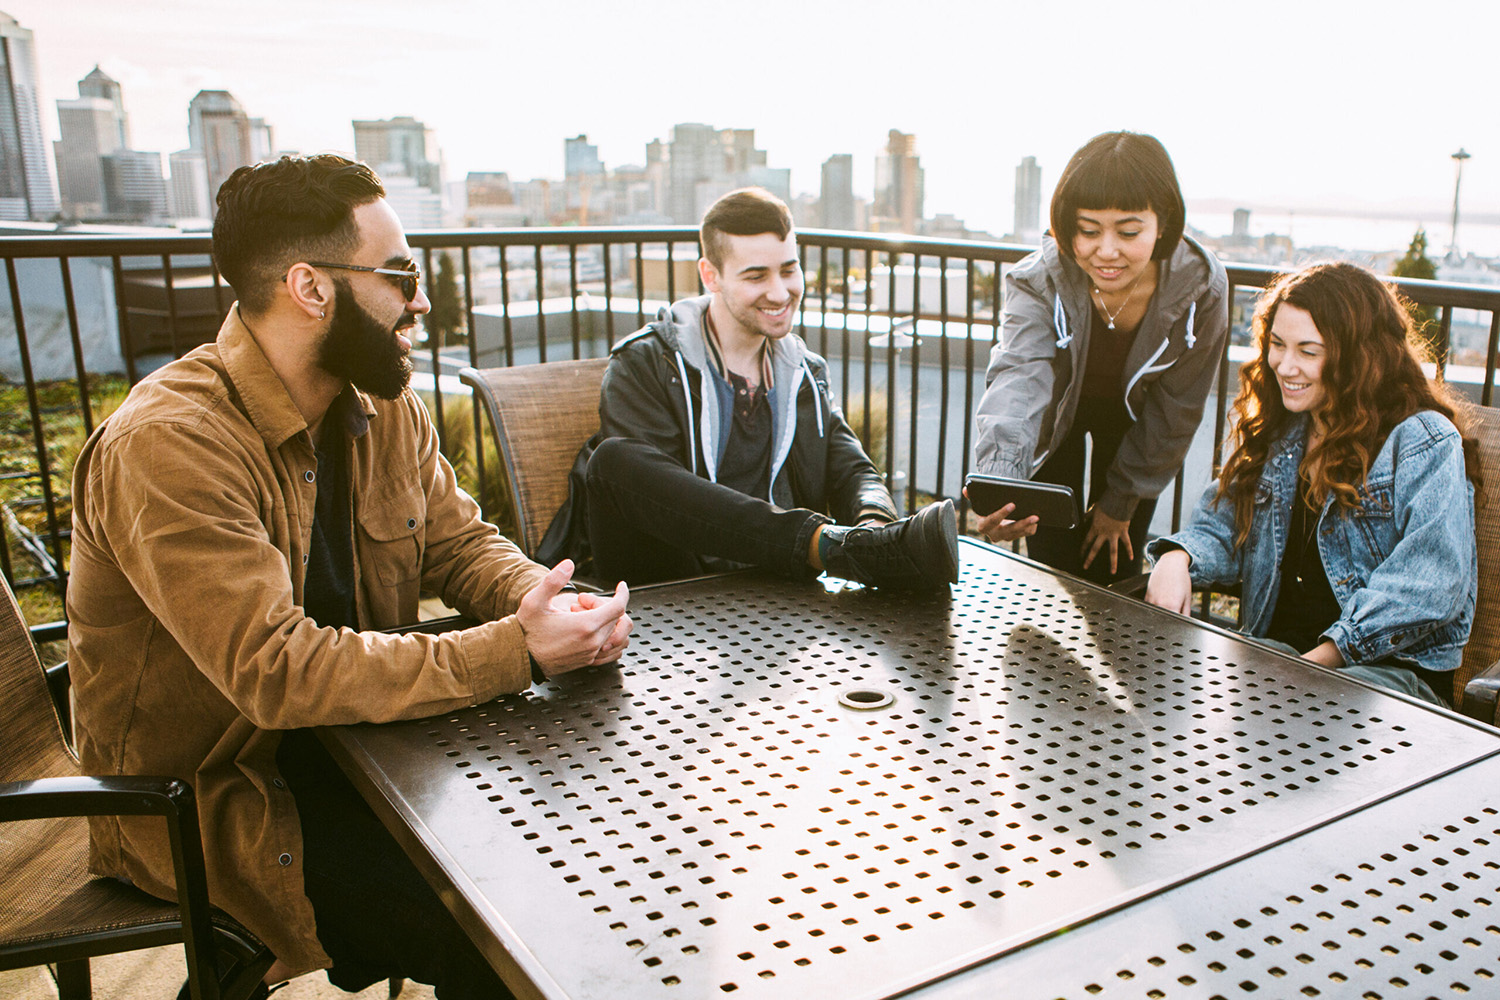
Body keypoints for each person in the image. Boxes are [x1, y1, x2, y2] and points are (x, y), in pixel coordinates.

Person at [66, 154, 633, 999]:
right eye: (400, 273)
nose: (423, 297)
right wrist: (518, 651)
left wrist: (546, 602)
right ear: (310, 287)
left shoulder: (383, 400)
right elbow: (278, 673)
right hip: (224, 798)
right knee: (514, 934)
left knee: (582, 849)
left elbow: (458, 543)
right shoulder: (170, 443)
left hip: (371, 746)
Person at [570, 186, 958, 590]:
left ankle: (845, 549)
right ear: (711, 276)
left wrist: (874, 529)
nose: (779, 292)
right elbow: (647, 499)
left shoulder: (804, 371)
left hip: (781, 589)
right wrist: (822, 544)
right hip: (673, 587)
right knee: (613, 461)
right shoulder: (648, 363)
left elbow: (853, 471)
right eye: (756, 276)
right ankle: (826, 546)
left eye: (788, 270)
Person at [1144, 261, 1479, 706]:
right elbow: (1220, 529)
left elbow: (1430, 585)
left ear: (1358, 358)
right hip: (1280, 664)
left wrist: (1318, 660)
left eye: (1308, 351)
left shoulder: (1422, 440)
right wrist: (1176, 558)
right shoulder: (1283, 430)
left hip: (1387, 682)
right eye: (1277, 345)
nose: (1284, 365)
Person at [970, 131, 1229, 585]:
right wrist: (1001, 483)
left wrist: (1119, 503)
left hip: (1138, 419)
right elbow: (1019, 377)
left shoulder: (1201, 290)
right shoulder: (1039, 279)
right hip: (1056, 410)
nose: (1106, 251)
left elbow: (1177, 409)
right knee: (1051, 559)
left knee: (1116, 558)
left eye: (1129, 232)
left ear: (1163, 223)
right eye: (1088, 231)